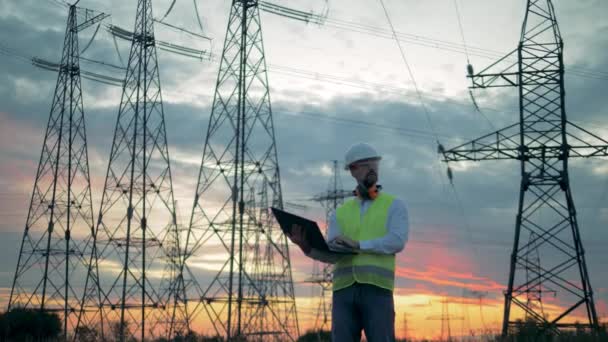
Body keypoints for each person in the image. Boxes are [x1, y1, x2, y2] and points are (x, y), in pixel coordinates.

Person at [287, 142, 409, 342]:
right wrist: (306, 247)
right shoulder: (340, 213)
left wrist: (359, 245)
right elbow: (332, 255)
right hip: (343, 292)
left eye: (374, 164)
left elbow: (397, 241)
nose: (371, 168)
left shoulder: (394, 205)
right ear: (352, 170)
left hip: (377, 289)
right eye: (364, 164)